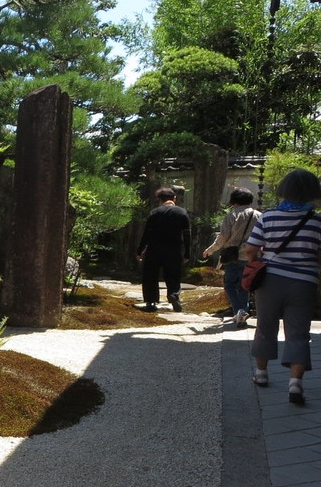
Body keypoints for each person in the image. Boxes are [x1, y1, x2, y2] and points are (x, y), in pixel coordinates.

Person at [244, 168, 321, 404]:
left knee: (265, 327)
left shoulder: (268, 217)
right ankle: (295, 385)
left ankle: (261, 374)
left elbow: (251, 248)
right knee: (298, 333)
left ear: (284, 191)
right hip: (305, 283)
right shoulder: (317, 221)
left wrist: (255, 263)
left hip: (270, 281)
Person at [202, 188, 262, 328]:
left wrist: (210, 251)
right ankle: (242, 312)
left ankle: (239, 310)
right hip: (252, 256)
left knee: (229, 285)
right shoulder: (259, 215)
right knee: (244, 287)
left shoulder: (231, 216)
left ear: (234, 201)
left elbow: (223, 238)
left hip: (233, 257)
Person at [136, 186, 191, 312]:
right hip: (174, 249)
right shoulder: (182, 213)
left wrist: (140, 251)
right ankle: (173, 295)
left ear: (159, 200)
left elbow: (146, 234)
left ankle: (150, 302)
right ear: (174, 198)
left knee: (150, 275)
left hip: (154, 249)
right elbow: (187, 234)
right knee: (173, 275)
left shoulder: (155, 213)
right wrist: (187, 253)